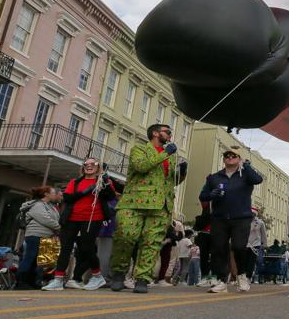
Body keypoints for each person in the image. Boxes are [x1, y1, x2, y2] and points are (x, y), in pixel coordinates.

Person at [110, 123, 183, 294]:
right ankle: (119, 273)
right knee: (126, 237)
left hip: (161, 205)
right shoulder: (139, 149)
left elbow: (169, 182)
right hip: (134, 202)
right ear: (156, 133)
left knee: (151, 243)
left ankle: (142, 278)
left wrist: (182, 173)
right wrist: (166, 153)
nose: (170, 135)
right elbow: (141, 166)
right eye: (167, 132)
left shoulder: (170, 158)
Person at [198, 146, 263, 293]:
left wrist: (247, 166)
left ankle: (241, 275)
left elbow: (258, 180)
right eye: (227, 155)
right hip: (219, 218)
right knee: (219, 249)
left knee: (239, 247)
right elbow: (203, 195)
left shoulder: (245, 176)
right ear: (224, 159)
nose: (230, 157)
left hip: (241, 218)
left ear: (239, 159)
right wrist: (211, 195)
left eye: (234, 156)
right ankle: (221, 281)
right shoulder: (214, 177)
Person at [46, 158, 116, 291]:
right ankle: (58, 279)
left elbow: (111, 197)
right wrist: (88, 190)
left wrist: (104, 184)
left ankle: (97, 276)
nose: (89, 166)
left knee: (87, 247)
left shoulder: (104, 181)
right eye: (86, 164)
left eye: (93, 164)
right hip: (72, 218)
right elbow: (67, 197)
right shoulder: (75, 182)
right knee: (65, 248)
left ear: (98, 167)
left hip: (92, 218)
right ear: (83, 167)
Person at [19, 186, 63, 290]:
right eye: (52, 193)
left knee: (40, 262)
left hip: (47, 236)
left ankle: (34, 282)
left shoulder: (50, 206)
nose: (54, 195)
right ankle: (21, 281)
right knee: (30, 258)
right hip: (35, 235)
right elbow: (45, 219)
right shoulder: (38, 205)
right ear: (46, 194)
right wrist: (59, 227)